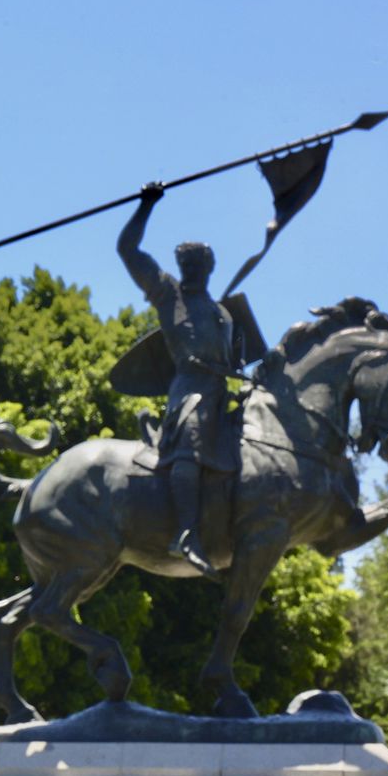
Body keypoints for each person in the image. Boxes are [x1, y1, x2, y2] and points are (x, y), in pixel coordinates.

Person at [116, 182, 238, 579]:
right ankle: (185, 532)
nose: (192, 270)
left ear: (209, 268)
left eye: (198, 264)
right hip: (190, 390)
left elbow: (234, 358)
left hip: (223, 391)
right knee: (191, 441)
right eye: (186, 263)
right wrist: (145, 206)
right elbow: (128, 251)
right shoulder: (169, 294)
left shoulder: (223, 313)